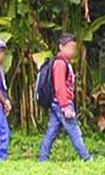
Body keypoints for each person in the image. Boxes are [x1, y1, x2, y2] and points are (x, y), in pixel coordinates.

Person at [38, 33, 92, 162]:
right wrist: (65, 107)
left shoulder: (66, 63)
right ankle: (86, 158)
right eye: (69, 47)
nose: (72, 50)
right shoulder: (60, 64)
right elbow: (60, 86)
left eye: (73, 48)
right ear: (61, 47)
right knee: (74, 131)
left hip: (58, 102)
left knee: (52, 131)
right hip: (61, 103)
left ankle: (42, 158)